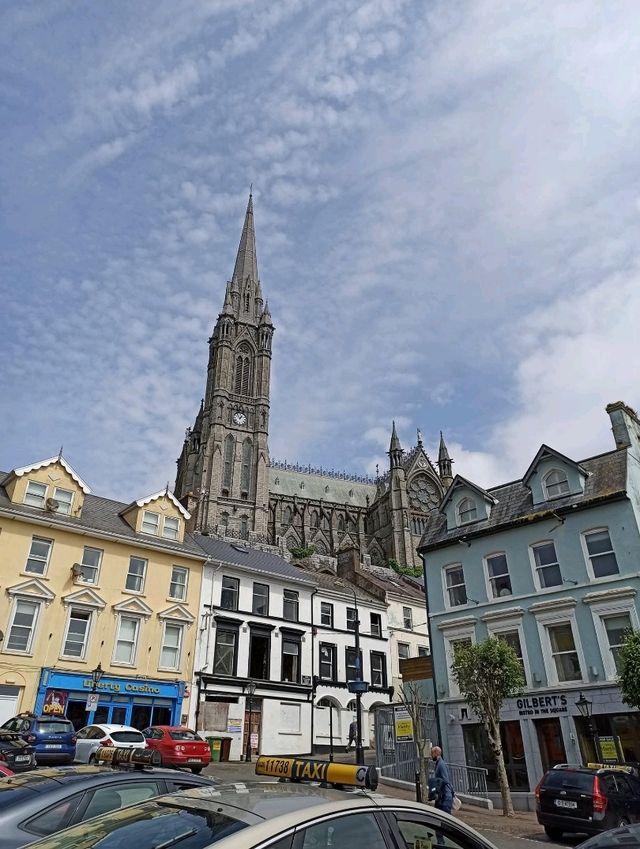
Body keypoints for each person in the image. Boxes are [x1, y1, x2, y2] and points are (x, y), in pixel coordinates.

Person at [430, 745, 454, 814]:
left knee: (445, 817)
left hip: (445, 796)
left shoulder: (441, 765)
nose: (431, 756)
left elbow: (445, 780)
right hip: (442, 796)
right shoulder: (439, 764)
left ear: (435, 753)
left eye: (432, 753)